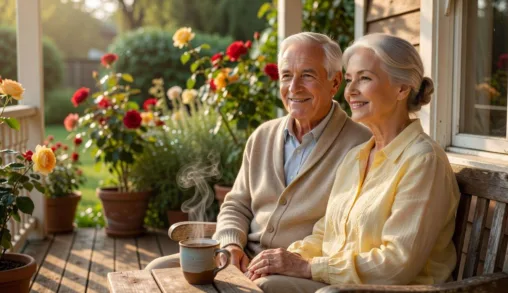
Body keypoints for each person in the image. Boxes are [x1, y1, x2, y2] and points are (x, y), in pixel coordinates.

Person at [246, 33, 460, 293]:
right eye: (349, 80)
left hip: (393, 290)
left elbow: (396, 265)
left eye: (365, 78)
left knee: (263, 288)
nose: (350, 91)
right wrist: (285, 258)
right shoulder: (356, 156)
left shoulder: (424, 161)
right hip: (338, 285)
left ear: (402, 89)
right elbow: (325, 233)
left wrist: (308, 268)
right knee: (252, 281)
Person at [145, 32, 371, 272]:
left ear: (335, 82)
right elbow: (237, 205)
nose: (293, 87)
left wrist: (295, 262)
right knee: (155, 271)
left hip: (298, 270)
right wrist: (231, 244)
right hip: (245, 258)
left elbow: (347, 227)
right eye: (286, 76)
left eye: (307, 75)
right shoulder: (263, 136)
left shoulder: (360, 144)